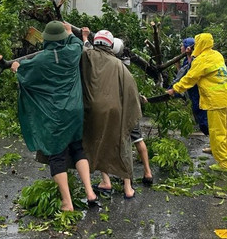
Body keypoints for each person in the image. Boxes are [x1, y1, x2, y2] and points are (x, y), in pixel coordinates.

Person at [10, 21, 97, 211]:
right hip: (75, 110)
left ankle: (67, 202)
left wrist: (16, 67)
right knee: (77, 148)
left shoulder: (40, 61)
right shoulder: (73, 52)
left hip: (55, 114)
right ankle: (90, 192)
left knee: (56, 154)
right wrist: (69, 31)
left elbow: (24, 75)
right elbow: (76, 43)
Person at [166, 33, 227, 175]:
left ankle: (224, 164)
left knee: (218, 134)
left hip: (217, 102)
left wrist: (175, 89)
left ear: (200, 45)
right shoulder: (217, 55)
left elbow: (190, 78)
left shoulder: (201, 60)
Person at [81, 29, 142, 199]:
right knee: (122, 144)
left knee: (99, 143)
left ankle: (105, 182)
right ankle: (128, 188)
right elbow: (130, 90)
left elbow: (85, 48)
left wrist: (85, 37)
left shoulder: (88, 55)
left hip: (94, 110)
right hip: (116, 111)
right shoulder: (118, 64)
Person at [112, 37, 153, 185]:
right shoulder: (126, 64)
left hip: (120, 111)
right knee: (138, 139)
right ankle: (148, 172)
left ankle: (124, 177)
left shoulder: (113, 66)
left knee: (121, 143)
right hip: (132, 108)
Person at [171, 37, 210, 153]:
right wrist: (178, 65)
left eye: (182, 45)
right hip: (192, 94)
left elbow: (191, 76)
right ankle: (216, 145)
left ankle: (218, 147)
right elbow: (182, 76)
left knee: (205, 122)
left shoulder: (197, 60)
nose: (180, 48)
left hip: (200, 95)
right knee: (201, 121)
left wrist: (174, 90)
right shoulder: (185, 60)